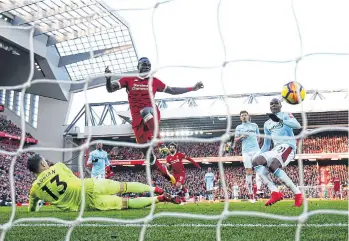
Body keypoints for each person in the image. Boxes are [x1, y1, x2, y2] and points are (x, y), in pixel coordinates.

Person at [105, 58, 204, 185]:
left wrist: (192, 88)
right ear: (138, 66)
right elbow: (110, 89)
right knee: (150, 158)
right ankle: (170, 179)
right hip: (138, 124)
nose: (146, 67)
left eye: (148, 65)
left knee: (145, 110)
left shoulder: (154, 81)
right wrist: (108, 79)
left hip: (151, 115)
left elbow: (172, 90)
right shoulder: (128, 79)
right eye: (144, 64)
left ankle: (160, 143)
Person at [27, 154, 180, 212]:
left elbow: (32, 210)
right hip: (89, 185)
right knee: (123, 186)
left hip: (83, 205)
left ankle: (158, 198)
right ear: (42, 164)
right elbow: (73, 179)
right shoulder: (58, 166)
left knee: (125, 203)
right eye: (44, 161)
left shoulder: (34, 190)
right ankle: (156, 189)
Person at [252, 98, 303, 207]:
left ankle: (298, 194)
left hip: (288, 146)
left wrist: (279, 120)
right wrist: (258, 154)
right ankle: (275, 192)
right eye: (272, 103)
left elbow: (298, 126)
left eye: (276, 103)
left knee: (273, 165)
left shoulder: (286, 115)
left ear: (280, 105)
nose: (274, 105)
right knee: (256, 161)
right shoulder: (267, 124)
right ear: (269, 106)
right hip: (276, 149)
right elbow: (266, 144)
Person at [233, 110, 262, 203]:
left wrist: (255, 145)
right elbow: (235, 139)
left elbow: (258, 137)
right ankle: (251, 195)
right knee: (249, 172)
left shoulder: (255, 125)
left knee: (259, 168)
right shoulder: (238, 127)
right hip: (246, 152)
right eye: (242, 115)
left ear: (248, 116)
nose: (244, 116)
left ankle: (258, 190)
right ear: (240, 117)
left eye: (245, 115)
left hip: (256, 150)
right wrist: (241, 137)